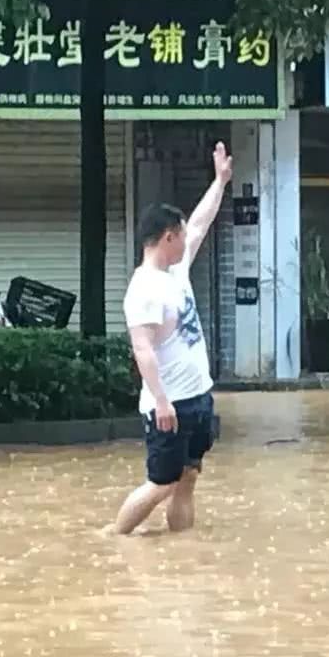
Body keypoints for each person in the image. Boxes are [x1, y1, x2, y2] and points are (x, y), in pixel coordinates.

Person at [113, 141, 233, 536]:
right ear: (167, 238)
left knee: (188, 478)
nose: (187, 240)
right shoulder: (144, 288)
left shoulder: (175, 273)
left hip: (198, 397)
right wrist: (161, 401)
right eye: (180, 236)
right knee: (161, 483)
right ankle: (112, 538)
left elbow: (199, 222)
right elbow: (142, 348)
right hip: (169, 405)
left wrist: (220, 181)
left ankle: (182, 553)